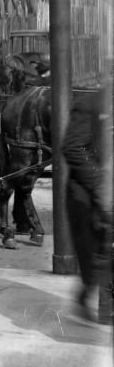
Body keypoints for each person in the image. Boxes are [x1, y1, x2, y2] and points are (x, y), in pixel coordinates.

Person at [61, 82, 112, 324]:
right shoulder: (89, 105)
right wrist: (100, 182)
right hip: (87, 195)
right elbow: (72, 147)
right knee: (98, 254)